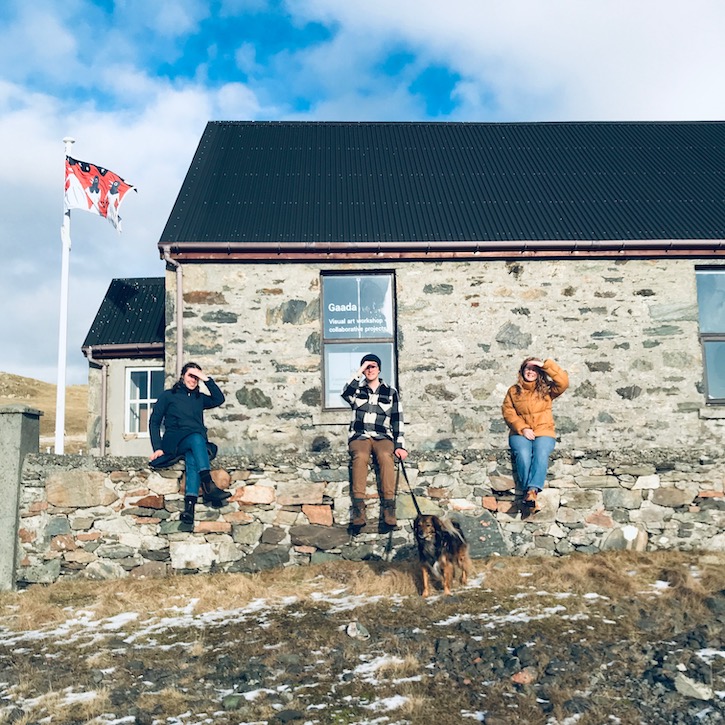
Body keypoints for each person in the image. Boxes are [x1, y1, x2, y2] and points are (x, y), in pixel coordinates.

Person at [149, 362, 230, 526]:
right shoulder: (168, 396)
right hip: (175, 441)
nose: (193, 380)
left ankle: (189, 509)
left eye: (196, 377)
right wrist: (157, 448)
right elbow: (154, 422)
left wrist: (205, 378)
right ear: (182, 376)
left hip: (195, 443)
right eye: (190, 376)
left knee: (193, 457)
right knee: (196, 438)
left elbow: (219, 399)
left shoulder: (199, 398)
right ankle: (208, 485)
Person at [342, 353, 408, 532]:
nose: (370, 370)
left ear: (379, 369)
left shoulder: (391, 392)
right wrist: (359, 371)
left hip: (382, 436)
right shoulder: (357, 390)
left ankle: (389, 509)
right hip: (359, 435)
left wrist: (400, 445)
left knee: (386, 456)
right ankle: (358, 511)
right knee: (361, 456)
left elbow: (397, 419)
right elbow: (345, 393)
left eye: (373, 366)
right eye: (366, 367)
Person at [502, 357, 569, 512]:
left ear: (539, 373)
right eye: (528, 369)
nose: (531, 372)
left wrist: (545, 365)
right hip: (520, 433)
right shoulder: (513, 391)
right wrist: (523, 428)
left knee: (541, 452)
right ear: (522, 371)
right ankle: (530, 494)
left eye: (534, 370)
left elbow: (563, 382)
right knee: (523, 454)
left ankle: (531, 491)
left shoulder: (546, 389)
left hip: (544, 431)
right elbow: (508, 412)